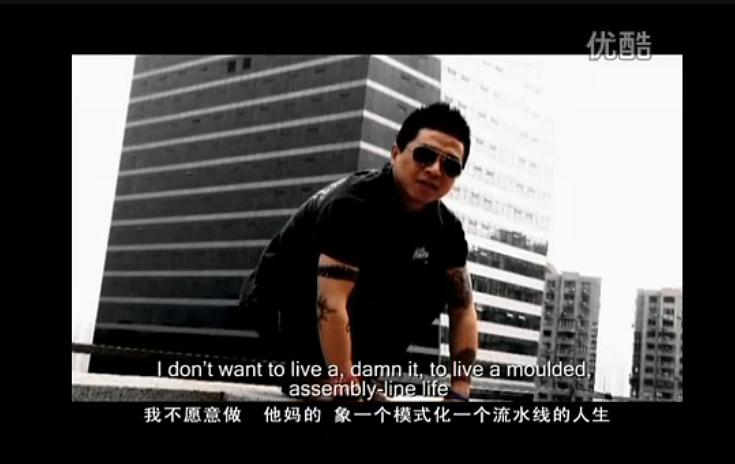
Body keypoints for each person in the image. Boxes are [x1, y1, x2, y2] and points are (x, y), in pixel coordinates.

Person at [240, 102, 478, 401]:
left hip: (353, 299)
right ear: (396, 153)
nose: (434, 170)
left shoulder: (447, 229)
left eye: (450, 166)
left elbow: (463, 309)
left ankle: (362, 372)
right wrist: (344, 384)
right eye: (424, 155)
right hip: (283, 300)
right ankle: (321, 376)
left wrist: (460, 391)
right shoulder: (353, 205)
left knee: (441, 280)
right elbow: (330, 300)